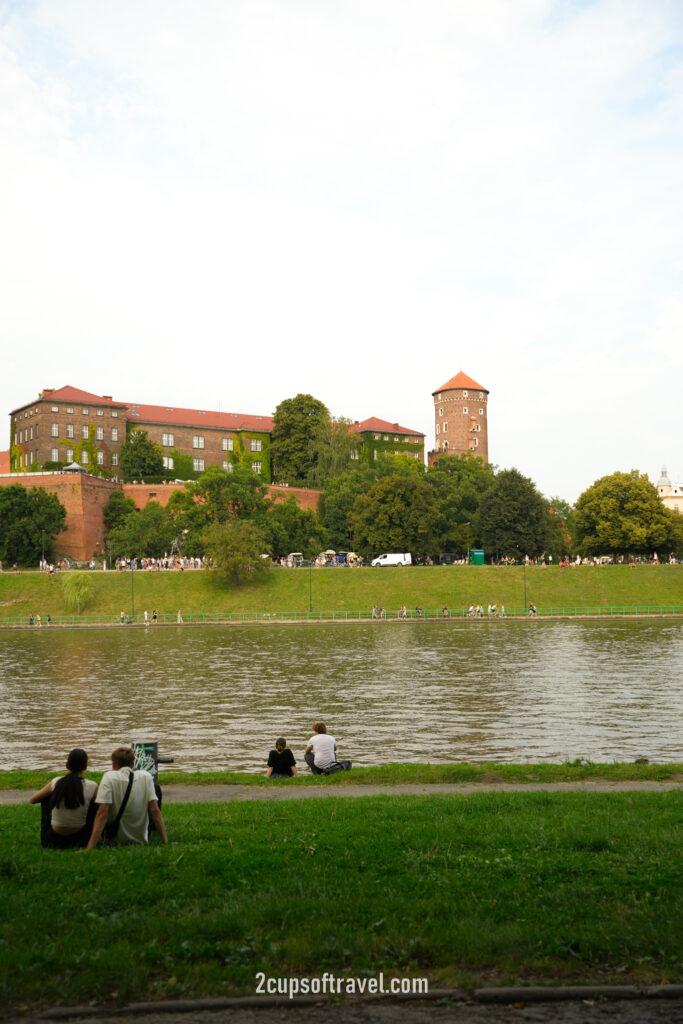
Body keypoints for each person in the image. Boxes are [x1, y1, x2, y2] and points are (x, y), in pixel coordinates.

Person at [85, 746, 167, 849]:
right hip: (141, 839)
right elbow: (155, 810)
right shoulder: (146, 777)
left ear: (114, 765)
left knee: (95, 802)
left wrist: (90, 847)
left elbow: (102, 814)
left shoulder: (109, 777)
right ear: (133, 764)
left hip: (114, 838)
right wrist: (165, 842)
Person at [29, 748, 97, 849]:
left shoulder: (56, 782)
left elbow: (32, 800)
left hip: (51, 841)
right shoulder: (93, 786)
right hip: (81, 840)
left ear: (66, 765)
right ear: (85, 767)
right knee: (96, 802)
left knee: (45, 798)